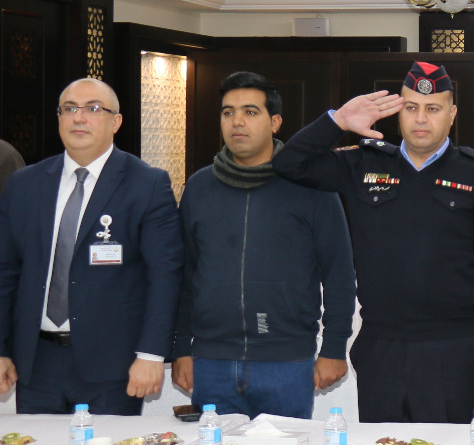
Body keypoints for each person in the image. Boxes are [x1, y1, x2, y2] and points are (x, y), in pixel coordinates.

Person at [276, 61, 474, 423]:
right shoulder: (363, 164)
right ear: (398, 113)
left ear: (452, 115)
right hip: (381, 345)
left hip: (453, 347)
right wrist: (337, 121)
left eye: (433, 109)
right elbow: (289, 164)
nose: (421, 118)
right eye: (411, 107)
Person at [170, 71, 356, 419]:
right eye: (228, 112)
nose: (237, 122)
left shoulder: (312, 187)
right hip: (211, 362)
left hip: (286, 362)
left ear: (275, 123)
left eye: (250, 112)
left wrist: (334, 349)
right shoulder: (199, 187)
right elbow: (185, 275)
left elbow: (339, 274)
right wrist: (181, 348)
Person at [0, 78, 181, 413]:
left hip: (113, 363)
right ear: (58, 118)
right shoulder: (25, 184)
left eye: (93, 109)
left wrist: (151, 354)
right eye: (69, 109)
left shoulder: (147, 184)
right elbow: (5, 271)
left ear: (116, 122)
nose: (79, 118)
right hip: (37, 362)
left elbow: (165, 276)